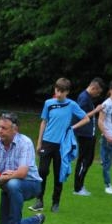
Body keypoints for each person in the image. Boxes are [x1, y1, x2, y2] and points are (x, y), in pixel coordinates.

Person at [30, 78, 90, 213]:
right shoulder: (48, 103)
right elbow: (43, 122)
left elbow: (86, 118)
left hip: (62, 145)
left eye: (62, 91)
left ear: (67, 92)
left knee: (59, 174)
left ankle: (55, 203)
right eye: (57, 90)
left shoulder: (72, 105)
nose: (59, 94)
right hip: (47, 142)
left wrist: (72, 128)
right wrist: (39, 142)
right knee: (42, 171)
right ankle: (39, 200)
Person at [0, 112, 45, 224]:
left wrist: (1, 177)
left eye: (4, 128)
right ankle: (35, 221)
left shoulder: (25, 143)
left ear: (15, 129)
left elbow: (22, 173)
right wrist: (2, 177)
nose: (0, 131)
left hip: (31, 184)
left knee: (13, 183)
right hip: (7, 186)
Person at [72, 77, 105, 196]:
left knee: (88, 160)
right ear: (94, 87)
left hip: (89, 134)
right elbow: (81, 115)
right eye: (98, 91)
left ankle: (80, 185)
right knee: (83, 160)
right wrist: (96, 110)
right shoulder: (84, 98)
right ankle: (78, 188)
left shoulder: (87, 98)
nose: (98, 94)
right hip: (84, 134)